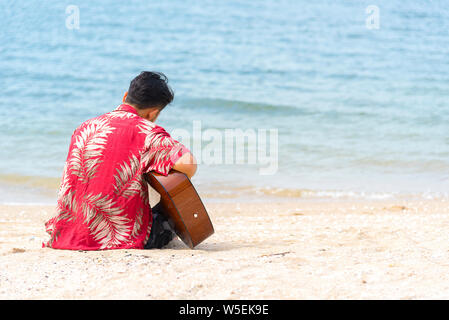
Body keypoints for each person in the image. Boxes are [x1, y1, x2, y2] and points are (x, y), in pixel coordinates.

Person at [43, 71, 196, 250]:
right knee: (170, 214)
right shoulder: (148, 133)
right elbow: (188, 164)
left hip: (68, 233)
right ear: (153, 113)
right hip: (116, 237)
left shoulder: (85, 126)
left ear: (125, 96)